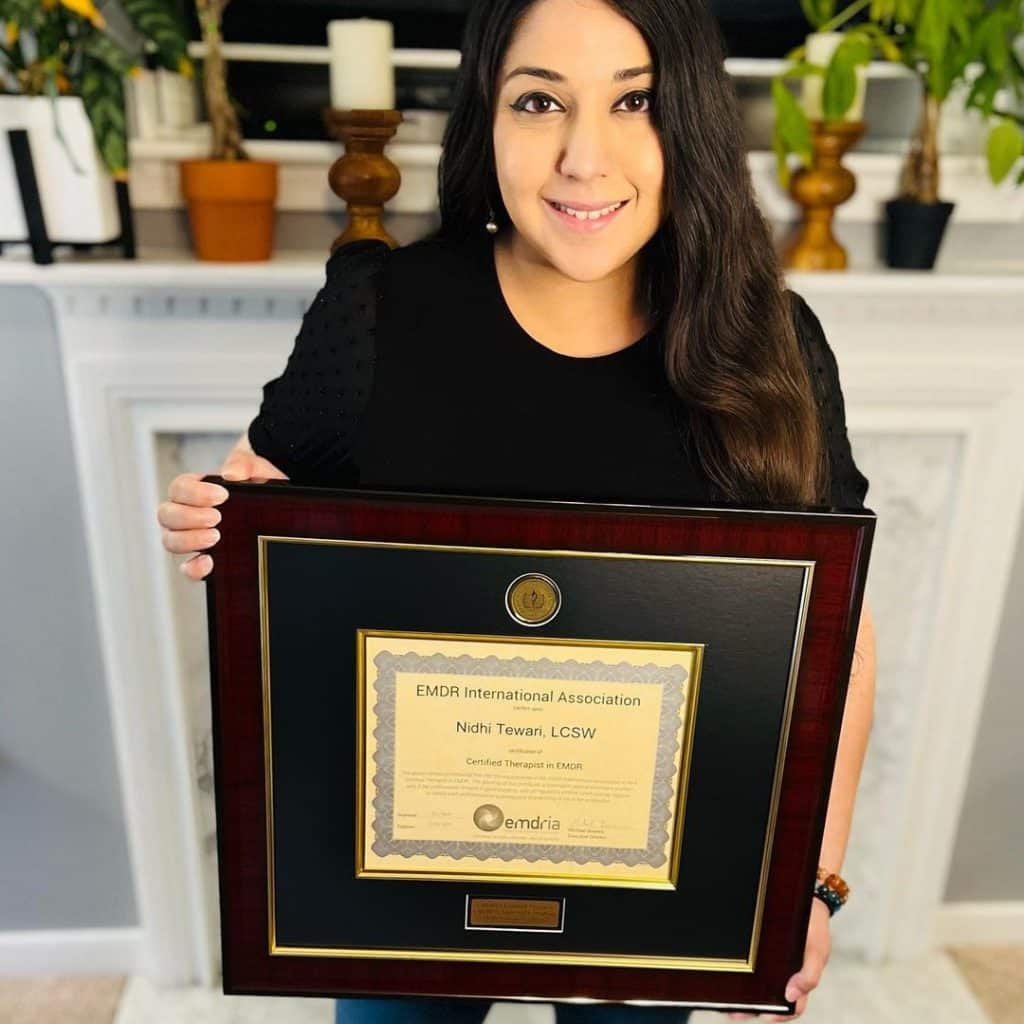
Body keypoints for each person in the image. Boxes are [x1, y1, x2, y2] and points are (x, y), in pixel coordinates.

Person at [157, 0, 878, 1021]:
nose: (586, 157)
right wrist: (216, 525)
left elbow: (839, 633)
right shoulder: (378, 313)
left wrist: (810, 883)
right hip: (393, 887)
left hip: (661, 881)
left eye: (637, 101)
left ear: (696, 123)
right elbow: (268, 514)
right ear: (482, 121)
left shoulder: (771, 341)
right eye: (539, 100)